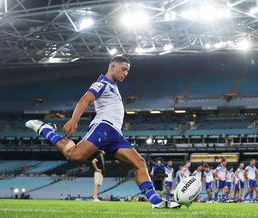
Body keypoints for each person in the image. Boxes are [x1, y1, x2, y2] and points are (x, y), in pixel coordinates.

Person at [25, 56, 179, 208]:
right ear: (112, 67)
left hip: (116, 134)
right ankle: (45, 129)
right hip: (103, 128)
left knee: (139, 162)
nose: (125, 73)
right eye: (123, 69)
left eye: (127, 71)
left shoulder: (113, 86)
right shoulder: (102, 83)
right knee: (75, 156)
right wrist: (74, 120)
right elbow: (84, 100)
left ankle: (156, 202)